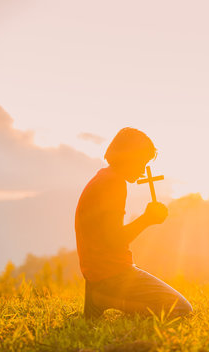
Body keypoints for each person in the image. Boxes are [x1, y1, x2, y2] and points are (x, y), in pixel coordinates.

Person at [75, 127, 192, 318]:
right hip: (113, 275)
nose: (144, 170)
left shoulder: (103, 178)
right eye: (141, 162)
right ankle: (104, 298)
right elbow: (114, 239)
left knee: (171, 306)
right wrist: (147, 219)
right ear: (128, 158)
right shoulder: (113, 183)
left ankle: (100, 295)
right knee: (181, 310)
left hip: (97, 274)